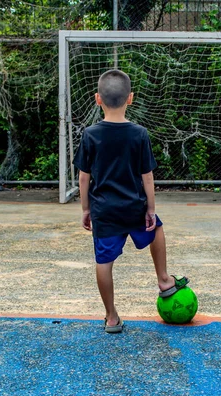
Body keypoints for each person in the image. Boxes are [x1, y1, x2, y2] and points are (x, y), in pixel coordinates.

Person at [73, 69, 190, 334]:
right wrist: (150, 209)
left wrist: (85, 209)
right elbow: (147, 176)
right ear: (131, 98)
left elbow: (83, 178)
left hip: (104, 210)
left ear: (97, 99)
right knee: (156, 228)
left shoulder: (91, 134)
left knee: (104, 262)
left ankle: (111, 317)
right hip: (135, 206)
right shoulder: (139, 133)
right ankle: (163, 279)